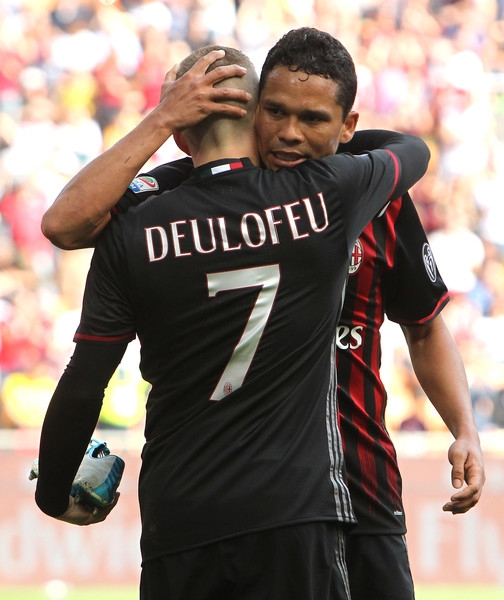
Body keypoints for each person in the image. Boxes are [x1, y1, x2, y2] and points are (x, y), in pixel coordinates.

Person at [40, 28, 484, 600]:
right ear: (251, 114)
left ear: (346, 125)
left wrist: (464, 428)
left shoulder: (371, 200)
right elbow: (413, 150)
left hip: (356, 485)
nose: (290, 132)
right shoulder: (332, 192)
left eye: (314, 119)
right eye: (275, 112)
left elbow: (424, 327)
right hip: (294, 502)